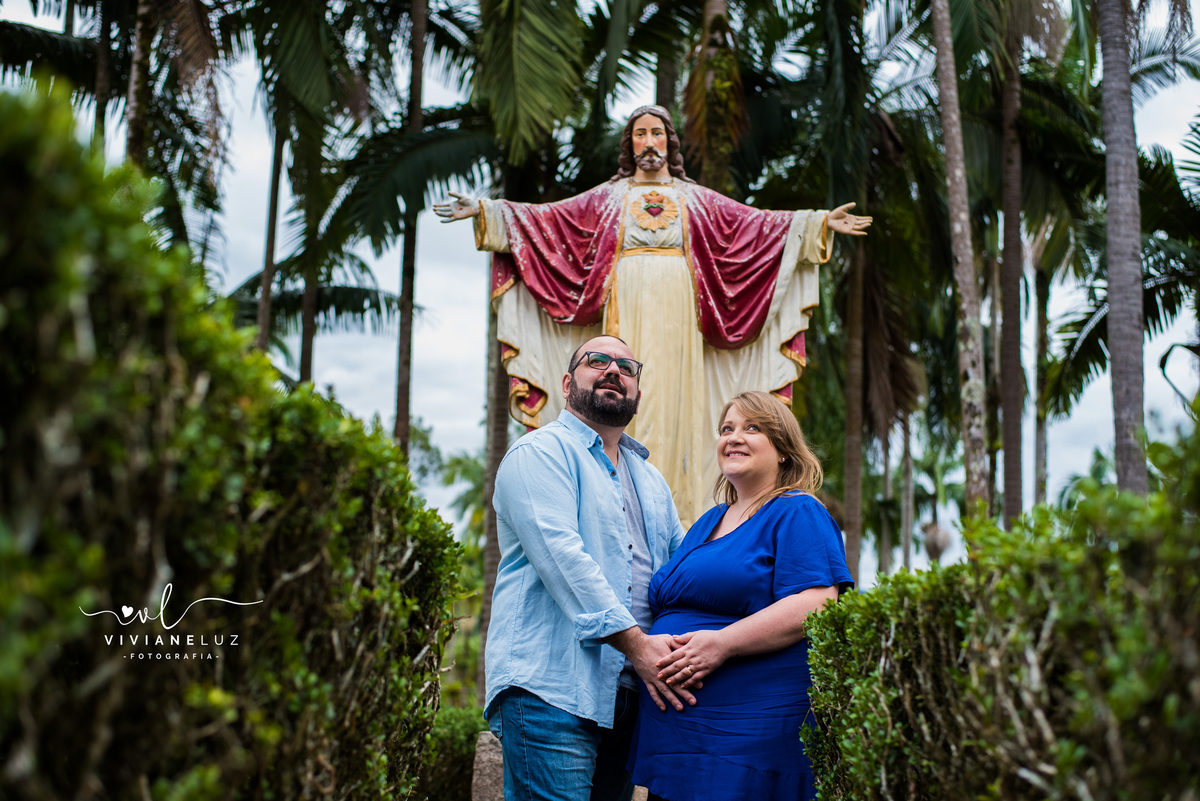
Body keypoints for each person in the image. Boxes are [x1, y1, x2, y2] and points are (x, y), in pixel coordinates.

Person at [434, 106, 871, 526]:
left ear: (670, 143)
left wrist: (816, 225)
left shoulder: (695, 199)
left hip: (681, 311)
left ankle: (680, 510)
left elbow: (756, 227)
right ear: (629, 144)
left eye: (657, 133)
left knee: (678, 404)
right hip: (625, 302)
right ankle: (616, 499)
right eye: (640, 133)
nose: (649, 142)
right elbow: (548, 222)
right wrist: (487, 212)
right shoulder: (609, 198)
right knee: (620, 388)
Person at [486, 334, 691, 801]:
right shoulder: (538, 453)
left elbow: (680, 572)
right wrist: (640, 646)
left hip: (629, 695)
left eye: (627, 366)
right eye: (597, 360)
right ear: (566, 382)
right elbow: (565, 560)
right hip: (551, 690)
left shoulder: (650, 480)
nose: (613, 370)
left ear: (637, 391)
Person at [629, 391, 854, 801]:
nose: (734, 437)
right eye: (726, 429)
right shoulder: (708, 521)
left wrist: (722, 644)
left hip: (745, 734)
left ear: (784, 451)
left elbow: (816, 602)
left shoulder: (797, 510)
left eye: (753, 428)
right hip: (680, 738)